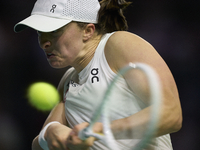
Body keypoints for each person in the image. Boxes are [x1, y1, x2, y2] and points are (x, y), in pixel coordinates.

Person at [14, 0, 182, 149]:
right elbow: (39, 143)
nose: (44, 43)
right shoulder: (68, 81)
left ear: (88, 30)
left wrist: (100, 129)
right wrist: (50, 132)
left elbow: (171, 114)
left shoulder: (119, 44)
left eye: (54, 31)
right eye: (39, 33)